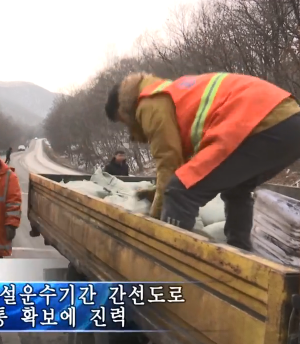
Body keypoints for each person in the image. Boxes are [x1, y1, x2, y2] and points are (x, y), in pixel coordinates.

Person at [104, 72, 300, 251]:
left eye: (123, 121)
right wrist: (157, 192)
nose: (128, 127)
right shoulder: (171, 91)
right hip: (288, 121)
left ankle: (174, 269)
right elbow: (184, 160)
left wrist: (155, 219)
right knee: (236, 189)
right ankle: (240, 253)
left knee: (180, 191)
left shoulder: (150, 103)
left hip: (258, 121)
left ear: (123, 110)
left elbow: (169, 164)